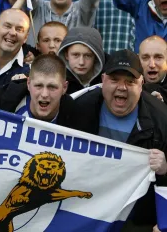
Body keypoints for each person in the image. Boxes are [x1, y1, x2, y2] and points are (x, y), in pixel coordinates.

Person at [70, 49, 167, 231]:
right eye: (114, 80)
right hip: (85, 212)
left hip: (135, 221)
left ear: (141, 84)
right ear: (103, 80)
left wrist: (165, 168)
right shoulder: (79, 108)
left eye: (130, 82)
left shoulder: (161, 119)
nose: (121, 88)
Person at [0, 53, 74, 128]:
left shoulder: (75, 115)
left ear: (64, 88)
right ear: (28, 84)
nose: (44, 94)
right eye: (38, 86)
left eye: (52, 87)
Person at [57, 27, 105, 94]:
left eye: (88, 55)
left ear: (96, 56)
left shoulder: (108, 79)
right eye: (76, 55)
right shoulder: (58, 80)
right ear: (66, 55)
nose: (81, 62)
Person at [139, 35, 167, 102]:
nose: (152, 65)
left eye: (158, 57)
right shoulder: (130, 80)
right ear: (138, 60)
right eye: (145, 58)